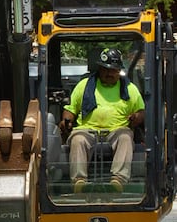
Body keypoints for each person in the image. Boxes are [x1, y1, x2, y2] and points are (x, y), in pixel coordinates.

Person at [60, 47, 145, 192]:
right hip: (87, 130)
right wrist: (66, 120)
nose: (109, 73)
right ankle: (79, 182)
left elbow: (140, 111)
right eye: (105, 69)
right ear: (99, 69)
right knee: (78, 139)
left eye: (113, 70)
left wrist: (137, 117)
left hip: (117, 130)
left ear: (119, 71)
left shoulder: (129, 88)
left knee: (125, 137)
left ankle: (118, 181)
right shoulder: (84, 85)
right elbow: (70, 109)